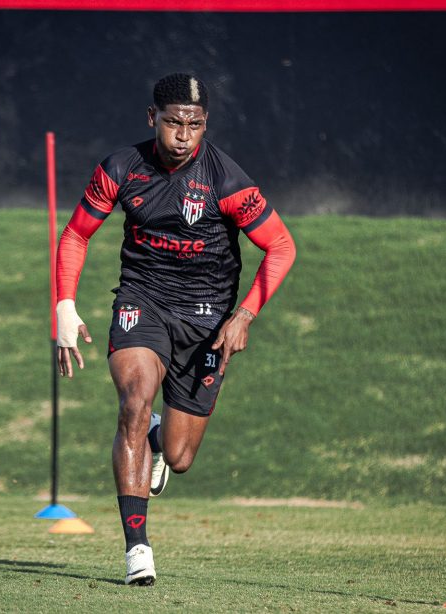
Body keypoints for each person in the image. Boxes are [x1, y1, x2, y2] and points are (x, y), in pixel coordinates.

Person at [55, 73, 296, 586]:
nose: (183, 135)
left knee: (181, 457)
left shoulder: (228, 181)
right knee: (135, 400)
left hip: (207, 318)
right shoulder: (121, 168)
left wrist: (244, 315)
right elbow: (77, 233)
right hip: (142, 301)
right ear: (152, 118)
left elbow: (281, 246)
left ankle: (161, 439)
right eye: (173, 123)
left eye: (195, 125)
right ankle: (137, 549)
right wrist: (65, 307)